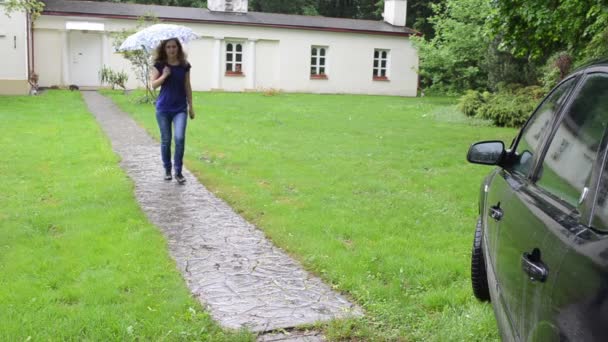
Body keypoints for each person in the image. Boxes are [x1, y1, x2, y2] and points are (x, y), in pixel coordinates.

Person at [150, 38, 195, 184]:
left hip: (180, 109)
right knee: (166, 140)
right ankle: (167, 170)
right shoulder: (159, 65)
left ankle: (179, 171)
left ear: (178, 48)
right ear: (164, 49)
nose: (171, 49)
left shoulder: (184, 65)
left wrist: (191, 106)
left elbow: (187, 85)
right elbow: (153, 85)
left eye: (174, 47)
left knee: (180, 138)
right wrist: (164, 75)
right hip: (163, 109)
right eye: (168, 47)